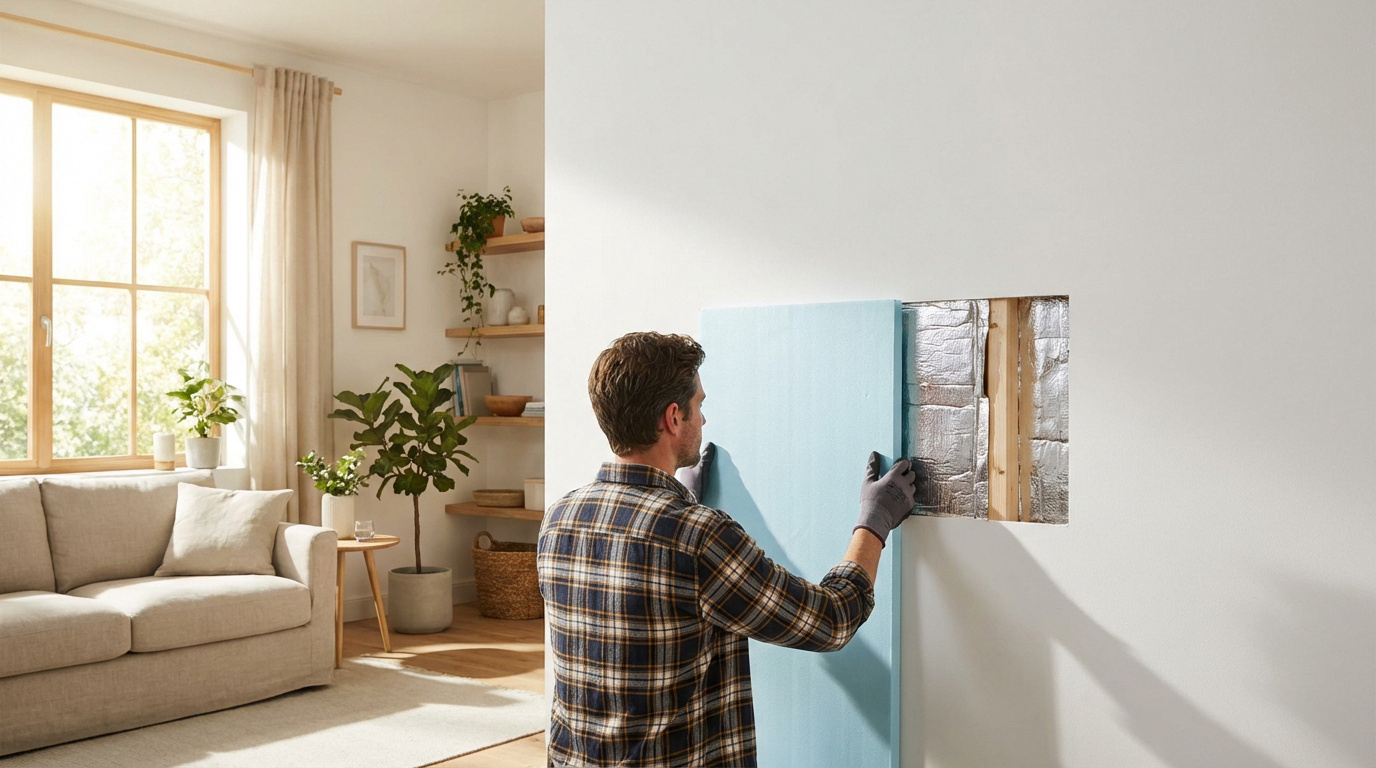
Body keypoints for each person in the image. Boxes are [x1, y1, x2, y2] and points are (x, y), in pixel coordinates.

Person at [537, 331, 917, 767]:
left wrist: (682, 499)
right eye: (699, 405)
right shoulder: (698, 537)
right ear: (673, 417)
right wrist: (874, 521)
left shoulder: (560, 517)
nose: (704, 419)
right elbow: (829, 621)